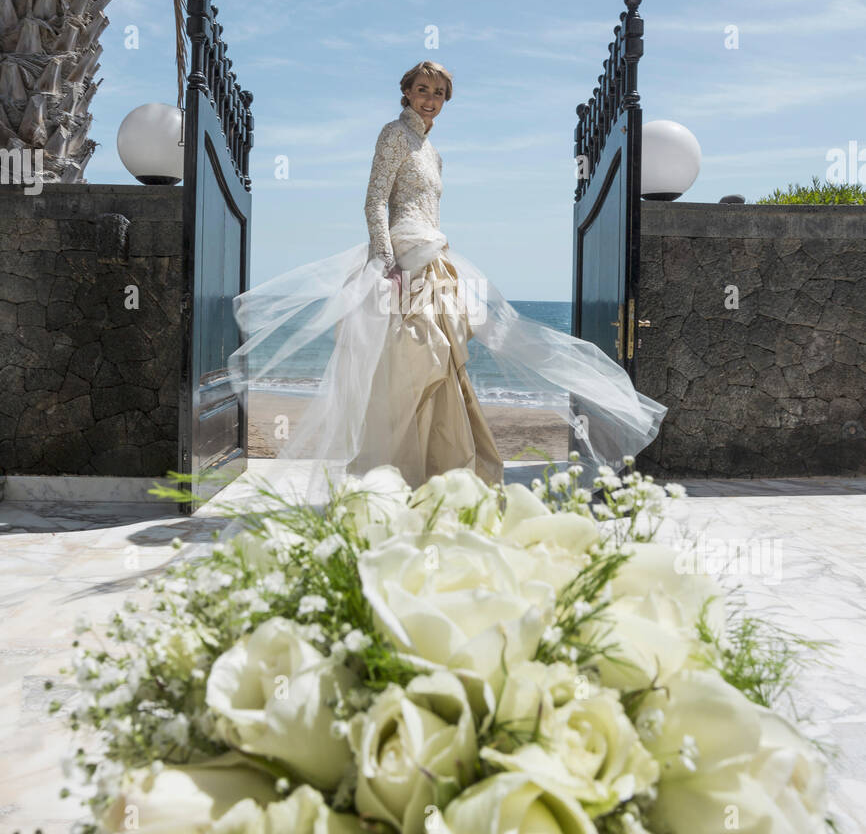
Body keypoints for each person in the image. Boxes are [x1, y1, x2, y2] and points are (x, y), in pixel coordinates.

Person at [228, 60, 666, 502]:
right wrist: (387, 263)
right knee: (417, 361)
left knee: (443, 362)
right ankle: (396, 479)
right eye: (422, 89)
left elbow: (428, 208)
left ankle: (441, 476)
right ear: (407, 92)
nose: (429, 99)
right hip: (402, 262)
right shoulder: (393, 134)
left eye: (438, 93)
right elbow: (375, 202)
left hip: (434, 260)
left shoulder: (433, 152)